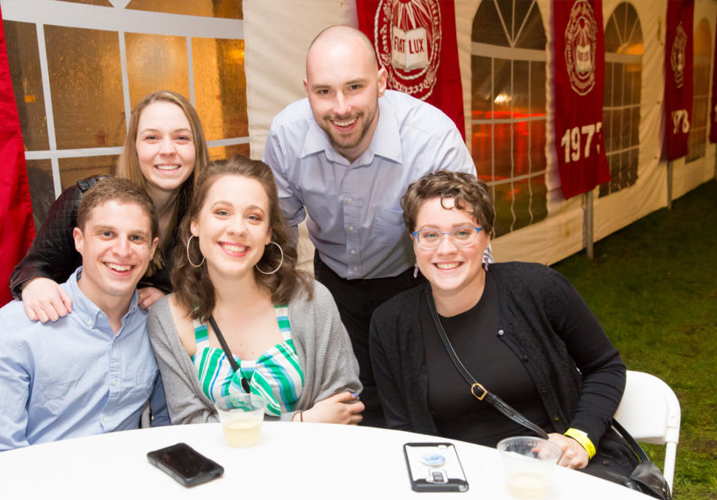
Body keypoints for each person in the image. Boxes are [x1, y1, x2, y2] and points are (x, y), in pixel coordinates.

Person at [263, 25, 476, 426]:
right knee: (350, 404)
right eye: (324, 92)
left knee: (424, 398)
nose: (341, 108)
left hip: (412, 279)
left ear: (381, 82)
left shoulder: (431, 138)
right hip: (332, 283)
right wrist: (275, 308)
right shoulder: (286, 135)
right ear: (306, 89)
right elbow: (279, 230)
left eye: (355, 87)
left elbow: (467, 237)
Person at [369, 171, 638, 476]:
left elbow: (605, 366)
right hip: (463, 483)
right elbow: (404, 428)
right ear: (414, 242)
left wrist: (580, 438)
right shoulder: (390, 324)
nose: (445, 249)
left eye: (462, 232)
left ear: (487, 236)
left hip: (560, 470)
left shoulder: (538, 288)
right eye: (430, 235)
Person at [0, 178, 170, 460]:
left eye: (136, 238)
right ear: (79, 240)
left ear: (152, 249)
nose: (123, 250)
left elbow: (168, 427)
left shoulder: (156, 324)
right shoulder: (16, 329)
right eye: (107, 234)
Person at [147, 155, 363, 425]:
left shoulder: (311, 301)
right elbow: (190, 424)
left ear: (269, 233)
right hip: (219, 468)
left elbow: (343, 408)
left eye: (253, 217)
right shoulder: (167, 318)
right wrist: (300, 422)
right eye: (222, 212)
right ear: (195, 224)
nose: (237, 228)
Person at [10, 90, 210, 321]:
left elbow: (208, 288)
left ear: (197, 148)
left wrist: (170, 296)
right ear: (134, 147)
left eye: (181, 138)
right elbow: (31, 268)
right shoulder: (86, 200)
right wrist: (35, 283)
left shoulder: (202, 216)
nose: (167, 150)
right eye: (152, 138)